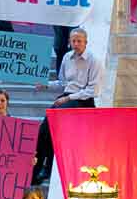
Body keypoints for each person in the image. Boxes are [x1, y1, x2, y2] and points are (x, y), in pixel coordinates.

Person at [31, 27, 103, 183]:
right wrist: (45, 85)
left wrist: (68, 98)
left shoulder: (93, 60)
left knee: (53, 121)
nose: (76, 44)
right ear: (69, 42)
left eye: (79, 41)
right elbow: (63, 83)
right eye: (73, 41)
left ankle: (49, 168)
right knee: (43, 130)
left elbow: (93, 90)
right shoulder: (66, 57)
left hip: (83, 101)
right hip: (67, 99)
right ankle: (36, 171)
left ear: (86, 42)